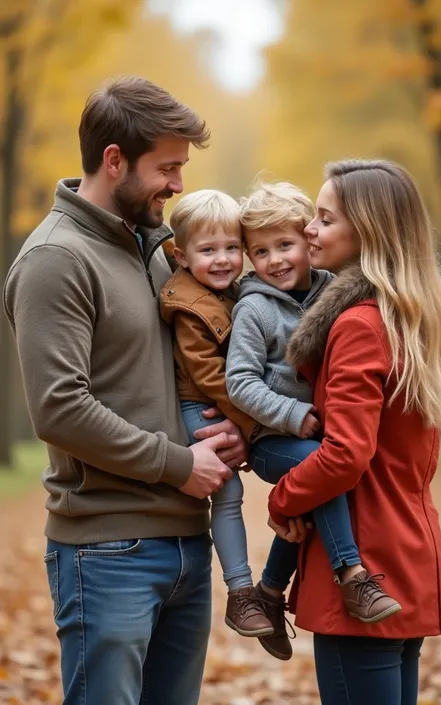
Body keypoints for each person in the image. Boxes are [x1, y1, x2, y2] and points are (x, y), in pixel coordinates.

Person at [3, 77, 247, 705]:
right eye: (167, 168)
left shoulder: (162, 252)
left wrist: (231, 429)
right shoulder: (56, 259)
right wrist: (178, 464)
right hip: (109, 551)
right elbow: (59, 407)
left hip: (188, 546)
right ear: (115, 160)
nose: (179, 185)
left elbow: (193, 366)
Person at [268, 159, 441, 705]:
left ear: (367, 231)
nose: (309, 229)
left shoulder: (357, 325)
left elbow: (346, 455)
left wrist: (283, 500)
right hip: (410, 557)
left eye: (324, 219)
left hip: (363, 568)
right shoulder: (411, 320)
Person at [225, 181, 400, 663]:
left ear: (308, 239)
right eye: (260, 251)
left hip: (316, 436)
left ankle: (269, 592)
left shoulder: (333, 291)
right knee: (326, 469)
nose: (275, 260)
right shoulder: (254, 309)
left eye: (285, 245)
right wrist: (294, 413)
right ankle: (352, 575)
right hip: (272, 440)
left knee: (313, 497)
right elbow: (239, 382)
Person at [159, 188, 273, 638]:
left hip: (233, 406)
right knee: (226, 493)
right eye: (209, 250)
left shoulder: (235, 291)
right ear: (181, 255)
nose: (223, 259)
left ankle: (271, 583)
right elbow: (208, 375)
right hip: (202, 409)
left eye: (232, 248)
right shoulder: (187, 305)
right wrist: (252, 423)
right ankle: (241, 592)